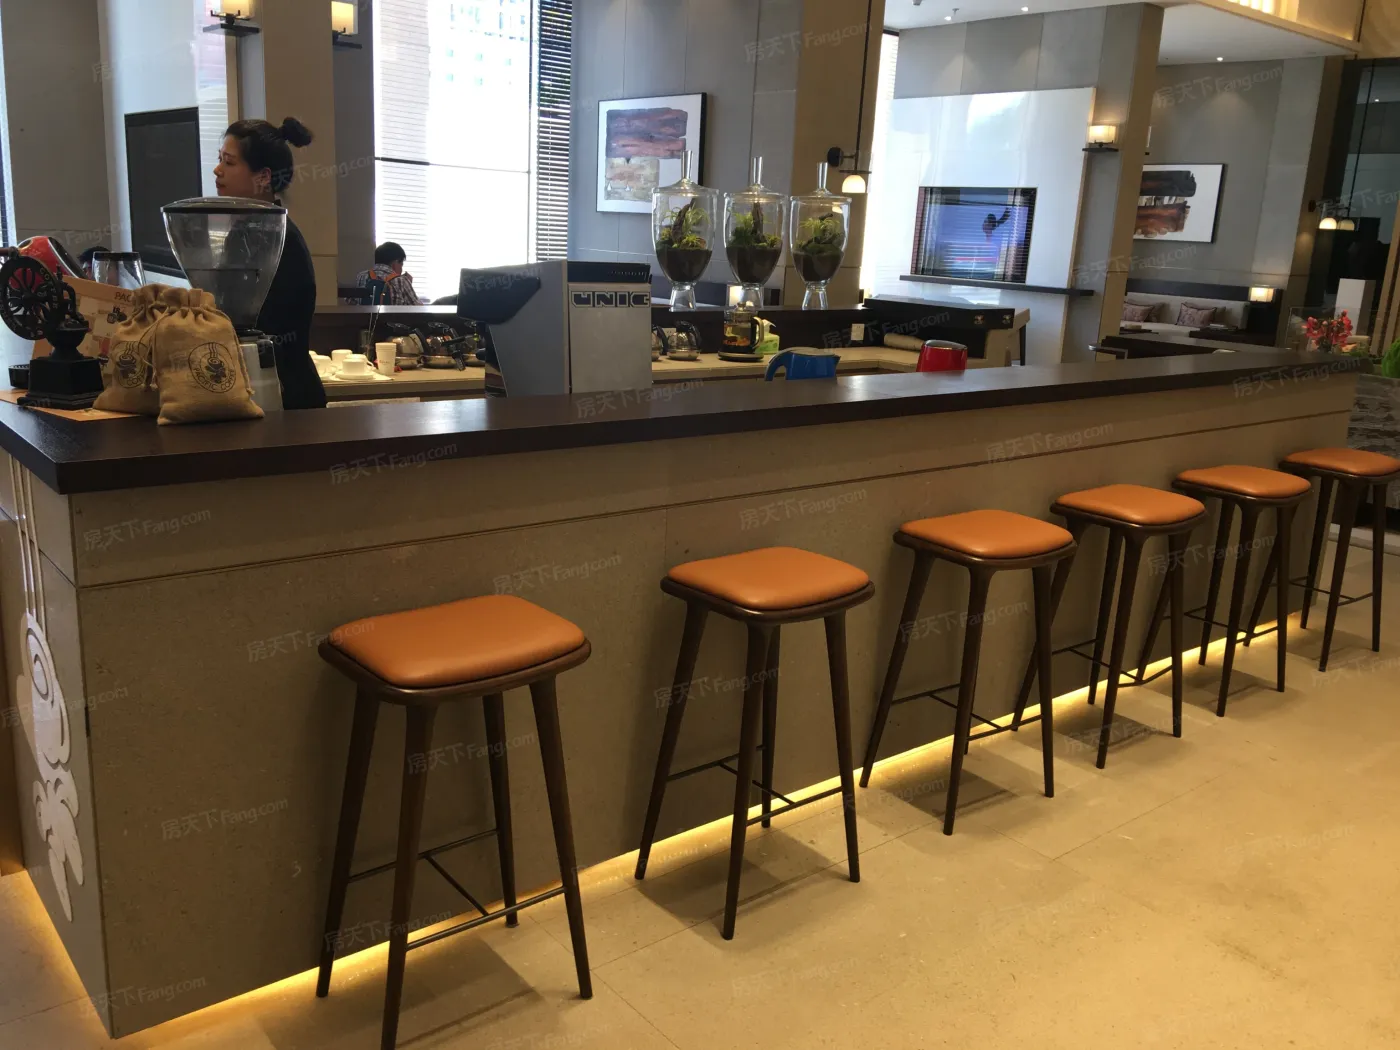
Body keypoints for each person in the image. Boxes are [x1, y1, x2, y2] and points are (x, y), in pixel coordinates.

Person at [213, 117, 327, 409]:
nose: (217, 170)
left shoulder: (276, 237)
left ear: (263, 177)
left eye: (229, 162)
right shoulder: (244, 231)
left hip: (284, 392)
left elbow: (265, 325)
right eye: (219, 160)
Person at [356, 242, 426, 305]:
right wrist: (408, 283)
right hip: (391, 316)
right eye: (401, 265)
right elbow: (418, 309)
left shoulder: (362, 276)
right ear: (395, 262)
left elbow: (353, 302)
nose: (401, 269)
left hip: (367, 316)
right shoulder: (401, 281)